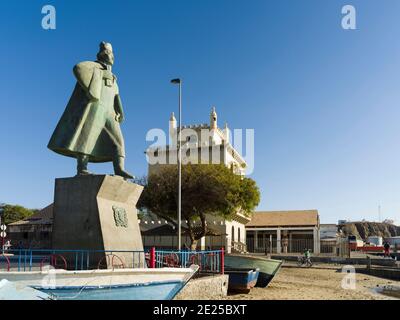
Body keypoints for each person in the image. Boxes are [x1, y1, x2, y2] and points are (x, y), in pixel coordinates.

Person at [48, 42, 133, 179]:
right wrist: (93, 85)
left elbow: (117, 96)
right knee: (87, 137)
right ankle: (82, 168)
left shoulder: (114, 77)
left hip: (110, 112)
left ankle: (119, 168)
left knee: (119, 141)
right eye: (110, 54)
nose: (112, 57)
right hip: (95, 108)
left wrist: (121, 112)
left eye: (112, 54)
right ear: (104, 54)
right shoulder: (94, 67)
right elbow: (78, 68)